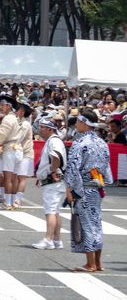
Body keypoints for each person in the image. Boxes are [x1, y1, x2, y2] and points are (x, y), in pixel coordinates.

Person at [66, 107, 110, 273]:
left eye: (78, 121)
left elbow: (73, 168)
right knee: (96, 223)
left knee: (86, 224)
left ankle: (90, 263)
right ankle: (97, 262)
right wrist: (103, 183)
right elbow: (106, 168)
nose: (76, 124)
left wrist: (69, 189)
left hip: (83, 187)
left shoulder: (80, 143)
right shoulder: (102, 143)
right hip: (97, 186)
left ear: (84, 123)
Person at [32, 115, 67, 250]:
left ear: (49, 129)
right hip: (54, 180)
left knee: (50, 211)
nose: (40, 130)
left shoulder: (54, 141)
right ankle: (57, 240)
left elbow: (55, 158)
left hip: (53, 181)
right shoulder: (54, 140)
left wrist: (51, 172)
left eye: (42, 128)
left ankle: (48, 239)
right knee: (55, 210)